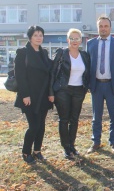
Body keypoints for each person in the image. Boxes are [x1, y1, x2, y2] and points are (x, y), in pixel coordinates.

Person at [86, 16, 114, 153]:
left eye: (106, 26)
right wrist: (87, 83)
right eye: (100, 26)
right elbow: (87, 65)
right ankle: (95, 142)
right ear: (97, 28)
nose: (103, 29)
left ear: (110, 28)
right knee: (96, 117)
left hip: (113, 86)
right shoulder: (90, 43)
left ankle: (113, 142)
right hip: (96, 86)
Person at [14, 25, 54, 164]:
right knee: (34, 126)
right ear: (30, 37)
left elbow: (50, 70)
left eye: (41, 35)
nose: (38, 37)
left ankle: (37, 151)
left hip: (43, 95)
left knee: (41, 125)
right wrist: (25, 95)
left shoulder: (43, 53)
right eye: (36, 35)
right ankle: (26, 152)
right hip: (29, 97)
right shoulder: (23, 53)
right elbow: (20, 76)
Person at [50, 28, 90, 159]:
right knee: (64, 119)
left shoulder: (84, 55)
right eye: (72, 38)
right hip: (63, 90)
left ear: (81, 40)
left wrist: (86, 88)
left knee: (74, 119)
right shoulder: (61, 53)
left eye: (77, 38)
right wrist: (51, 91)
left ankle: (72, 145)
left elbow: (87, 73)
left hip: (79, 91)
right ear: (68, 40)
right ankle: (66, 148)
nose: (74, 41)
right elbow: (53, 73)